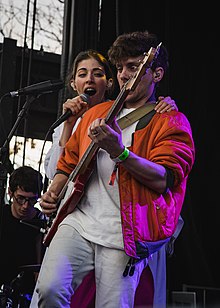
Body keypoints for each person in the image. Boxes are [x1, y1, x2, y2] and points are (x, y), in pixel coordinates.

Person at [33, 29, 195, 308]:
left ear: (155, 74)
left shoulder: (170, 121)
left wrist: (119, 151)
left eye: (133, 67)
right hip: (80, 221)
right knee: (49, 290)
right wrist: (54, 191)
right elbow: (69, 160)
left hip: (125, 233)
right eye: (120, 68)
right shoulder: (96, 113)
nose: (123, 75)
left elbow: (164, 179)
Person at [44, 49, 178, 181]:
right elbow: (52, 173)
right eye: (82, 74)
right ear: (73, 84)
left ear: (109, 83)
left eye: (97, 74)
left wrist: (158, 107)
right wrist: (68, 125)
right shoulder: (65, 122)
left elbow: (163, 176)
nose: (89, 79)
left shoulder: (120, 113)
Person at [0, 166, 46, 306]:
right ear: (10, 192)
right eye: (20, 198)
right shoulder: (3, 215)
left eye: (32, 200)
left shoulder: (42, 226)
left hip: (24, 294)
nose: (26, 206)